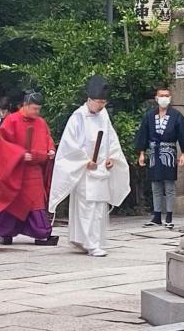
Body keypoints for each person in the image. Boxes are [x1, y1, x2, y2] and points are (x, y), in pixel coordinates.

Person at [49, 75, 130, 257]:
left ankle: (94, 241)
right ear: (89, 100)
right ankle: (90, 243)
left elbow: (111, 140)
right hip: (85, 170)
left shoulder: (104, 116)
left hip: (101, 169)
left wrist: (112, 158)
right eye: (99, 102)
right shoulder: (78, 117)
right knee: (87, 207)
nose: (101, 106)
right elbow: (69, 146)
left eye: (104, 102)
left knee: (99, 207)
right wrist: (85, 161)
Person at [0, 91, 59, 246]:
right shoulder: (11, 121)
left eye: (38, 109)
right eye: (34, 108)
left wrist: (51, 149)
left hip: (35, 171)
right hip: (17, 171)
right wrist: (19, 154)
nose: (37, 112)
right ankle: (4, 231)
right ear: (25, 106)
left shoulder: (41, 122)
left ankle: (41, 232)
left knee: (36, 202)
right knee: (14, 203)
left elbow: (47, 138)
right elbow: (2, 145)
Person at [135, 86, 184, 229]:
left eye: (167, 95)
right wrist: (141, 152)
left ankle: (169, 216)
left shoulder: (177, 116)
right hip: (154, 152)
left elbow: (183, 135)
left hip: (169, 152)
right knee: (156, 186)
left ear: (170, 98)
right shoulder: (149, 116)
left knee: (169, 186)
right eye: (161, 95)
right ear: (156, 98)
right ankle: (157, 216)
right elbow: (143, 134)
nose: (164, 98)